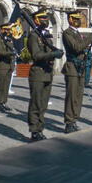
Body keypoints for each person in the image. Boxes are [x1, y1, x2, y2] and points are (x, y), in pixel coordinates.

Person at [28, 9, 64, 141]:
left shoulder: (46, 35)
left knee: (43, 105)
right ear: (36, 20)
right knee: (36, 103)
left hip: (47, 73)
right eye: (42, 18)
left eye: (46, 18)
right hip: (38, 73)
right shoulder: (33, 35)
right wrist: (53, 54)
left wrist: (55, 53)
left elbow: (49, 51)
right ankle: (34, 130)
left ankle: (40, 129)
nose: (45, 20)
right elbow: (36, 55)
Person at [62, 10, 92, 133]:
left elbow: (82, 46)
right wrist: (91, 37)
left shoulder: (77, 33)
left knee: (78, 96)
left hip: (80, 68)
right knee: (71, 96)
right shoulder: (67, 33)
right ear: (70, 19)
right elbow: (77, 47)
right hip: (72, 67)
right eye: (76, 19)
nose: (79, 21)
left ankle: (74, 119)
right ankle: (69, 122)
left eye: (79, 18)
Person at [0, 23, 16, 113]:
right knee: (1, 84)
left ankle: (4, 102)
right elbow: (0, 52)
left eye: (9, 30)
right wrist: (11, 53)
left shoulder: (9, 40)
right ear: (2, 30)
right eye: (6, 30)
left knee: (7, 85)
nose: (8, 31)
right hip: (2, 65)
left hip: (9, 65)